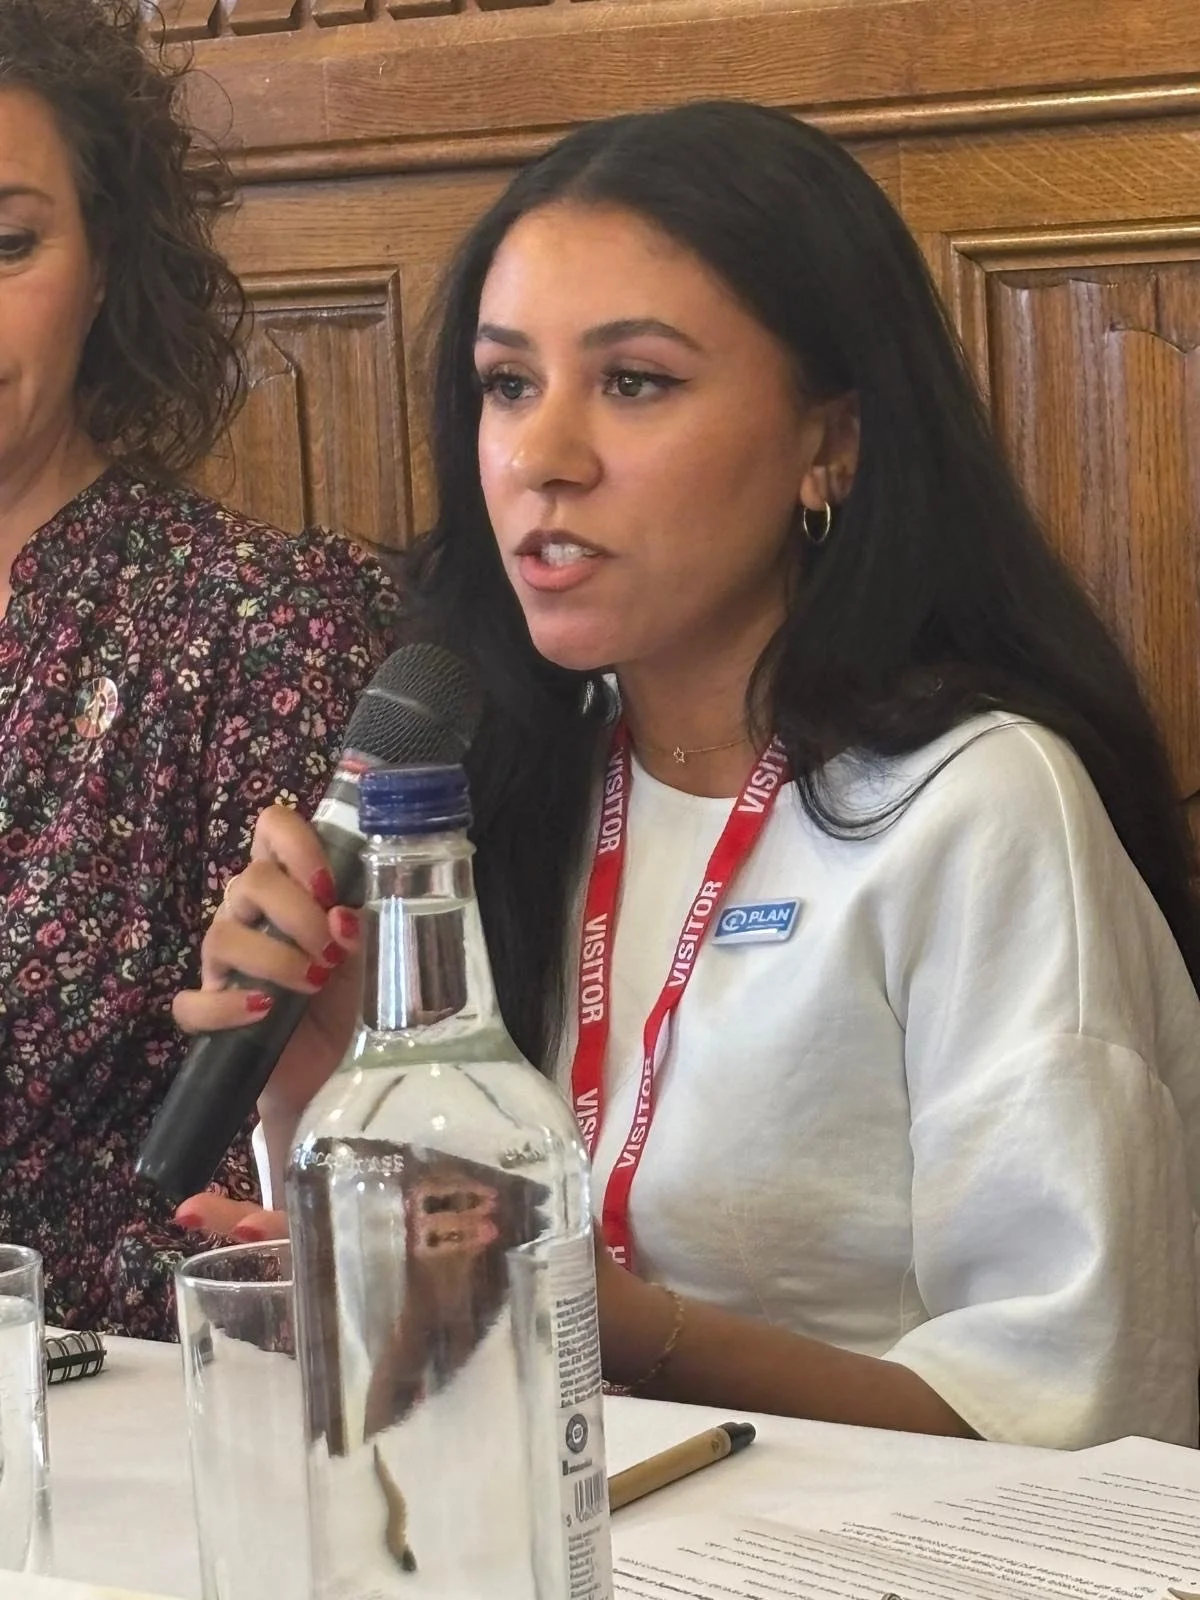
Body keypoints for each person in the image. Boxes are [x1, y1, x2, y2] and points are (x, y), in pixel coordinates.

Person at [177, 101, 1200, 1448]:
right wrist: (328, 1077)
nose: (543, 459)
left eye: (635, 382)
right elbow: (438, 1368)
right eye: (507, 384)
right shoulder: (518, 788)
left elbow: (1080, 1424)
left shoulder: (975, 808)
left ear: (828, 444)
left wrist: (615, 1324)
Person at [0, 0, 398, 1337]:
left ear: (106, 261)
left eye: (6, 243)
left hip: (129, 1393)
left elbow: (312, 1108)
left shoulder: (259, 620)